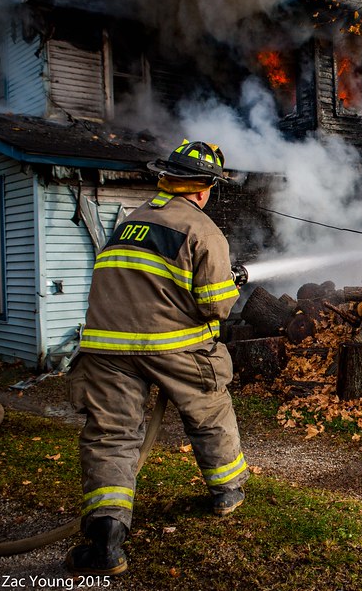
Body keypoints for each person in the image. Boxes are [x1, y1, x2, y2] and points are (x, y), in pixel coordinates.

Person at [65, 140, 248, 576]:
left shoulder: (129, 223)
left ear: (167, 178)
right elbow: (216, 306)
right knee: (209, 408)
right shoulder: (202, 230)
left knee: (111, 435)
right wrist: (233, 280)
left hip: (106, 348)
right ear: (204, 188)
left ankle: (106, 543)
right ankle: (228, 491)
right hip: (173, 345)